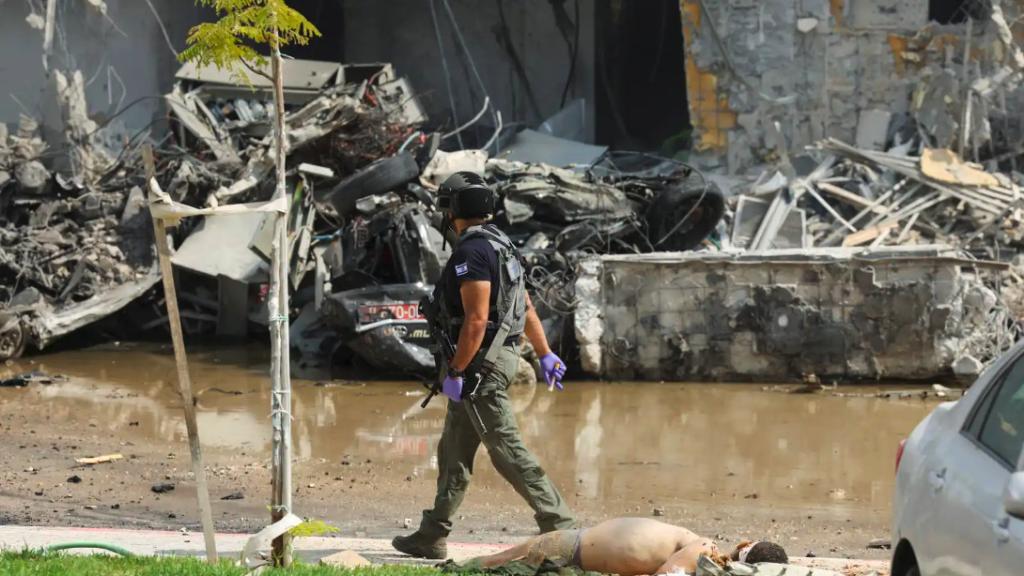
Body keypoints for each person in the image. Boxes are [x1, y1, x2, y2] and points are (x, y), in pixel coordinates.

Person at [393, 171, 575, 560]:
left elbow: (476, 320)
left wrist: (457, 371)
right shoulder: (504, 246)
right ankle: (431, 534)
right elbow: (523, 307)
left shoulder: (472, 252)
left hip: (478, 368)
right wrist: (543, 353)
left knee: (506, 449)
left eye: (446, 206)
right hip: (494, 360)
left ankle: (561, 527)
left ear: (455, 209)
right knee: (453, 451)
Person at [465, 517, 789, 576]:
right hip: (571, 545)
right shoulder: (703, 547)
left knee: (496, 563)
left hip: (579, 548)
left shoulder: (704, 553)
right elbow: (667, 575)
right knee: (491, 563)